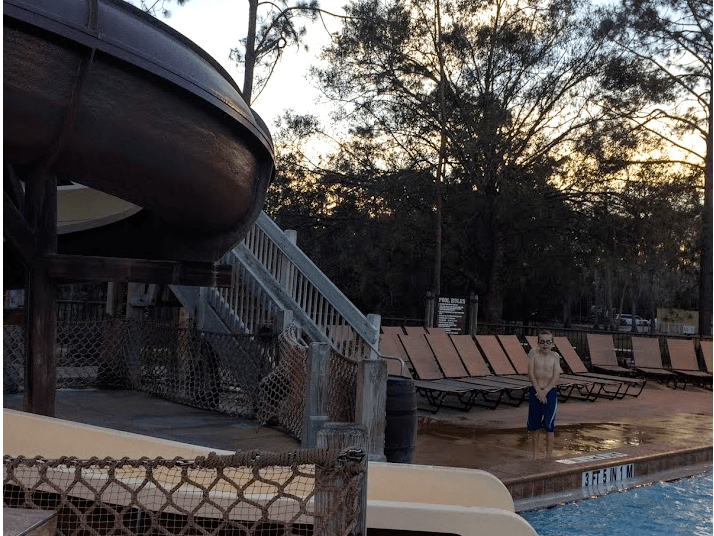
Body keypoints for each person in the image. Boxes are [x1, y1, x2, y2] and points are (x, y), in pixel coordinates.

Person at [527, 331, 561, 459]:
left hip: (549, 392)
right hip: (536, 391)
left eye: (548, 342)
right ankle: (535, 456)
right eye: (542, 342)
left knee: (549, 425)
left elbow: (556, 376)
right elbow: (530, 373)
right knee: (535, 426)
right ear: (538, 343)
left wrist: (545, 391)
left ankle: (548, 457)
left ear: (552, 344)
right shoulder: (533, 353)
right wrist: (538, 391)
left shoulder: (555, 356)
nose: (545, 345)